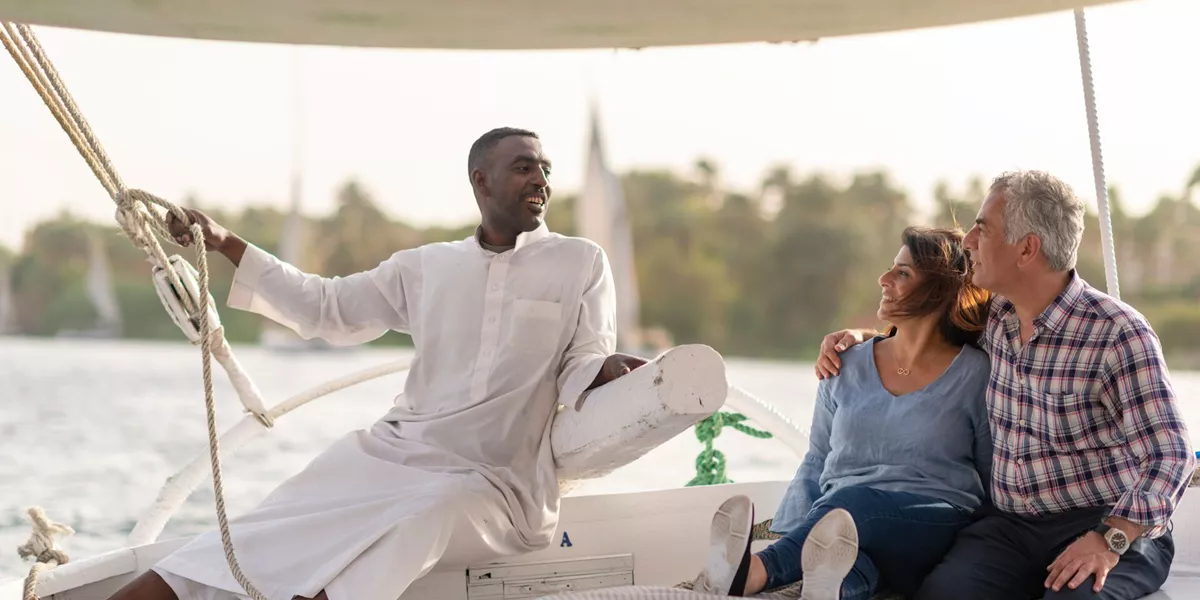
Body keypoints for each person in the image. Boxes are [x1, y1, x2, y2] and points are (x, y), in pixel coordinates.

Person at [106, 127, 647, 600]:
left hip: (494, 479)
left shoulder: (581, 261)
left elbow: (585, 356)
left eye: (546, 169)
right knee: (254, 533)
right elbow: (327, 307)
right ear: (480, 181)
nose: (540, 180)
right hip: (388, 454)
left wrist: (606, 371)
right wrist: (226, 244)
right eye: (523, 167)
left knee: (420, 518)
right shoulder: (427, 266)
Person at [815, 170, 1195, 600]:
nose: (968, 242)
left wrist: (1111, 539)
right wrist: (861, 338)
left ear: (1027, 249)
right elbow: (923, 334)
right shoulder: (992, 317)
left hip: (1104, 524)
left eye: (983, 229)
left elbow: (1171, 454)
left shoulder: (1118, 333)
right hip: (1010, 529)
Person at [691, 226, 994, 600]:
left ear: (939, 290)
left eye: (902, 273)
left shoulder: (976, 374)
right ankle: (827, 592)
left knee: (855, 506)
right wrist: (792, 527)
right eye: (890, 268)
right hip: (840, 527)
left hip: (931, 525)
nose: (883, 280)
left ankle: (753, 570)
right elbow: (817, 457)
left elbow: (992, 474)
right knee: (845, 566)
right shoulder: (845, 362)